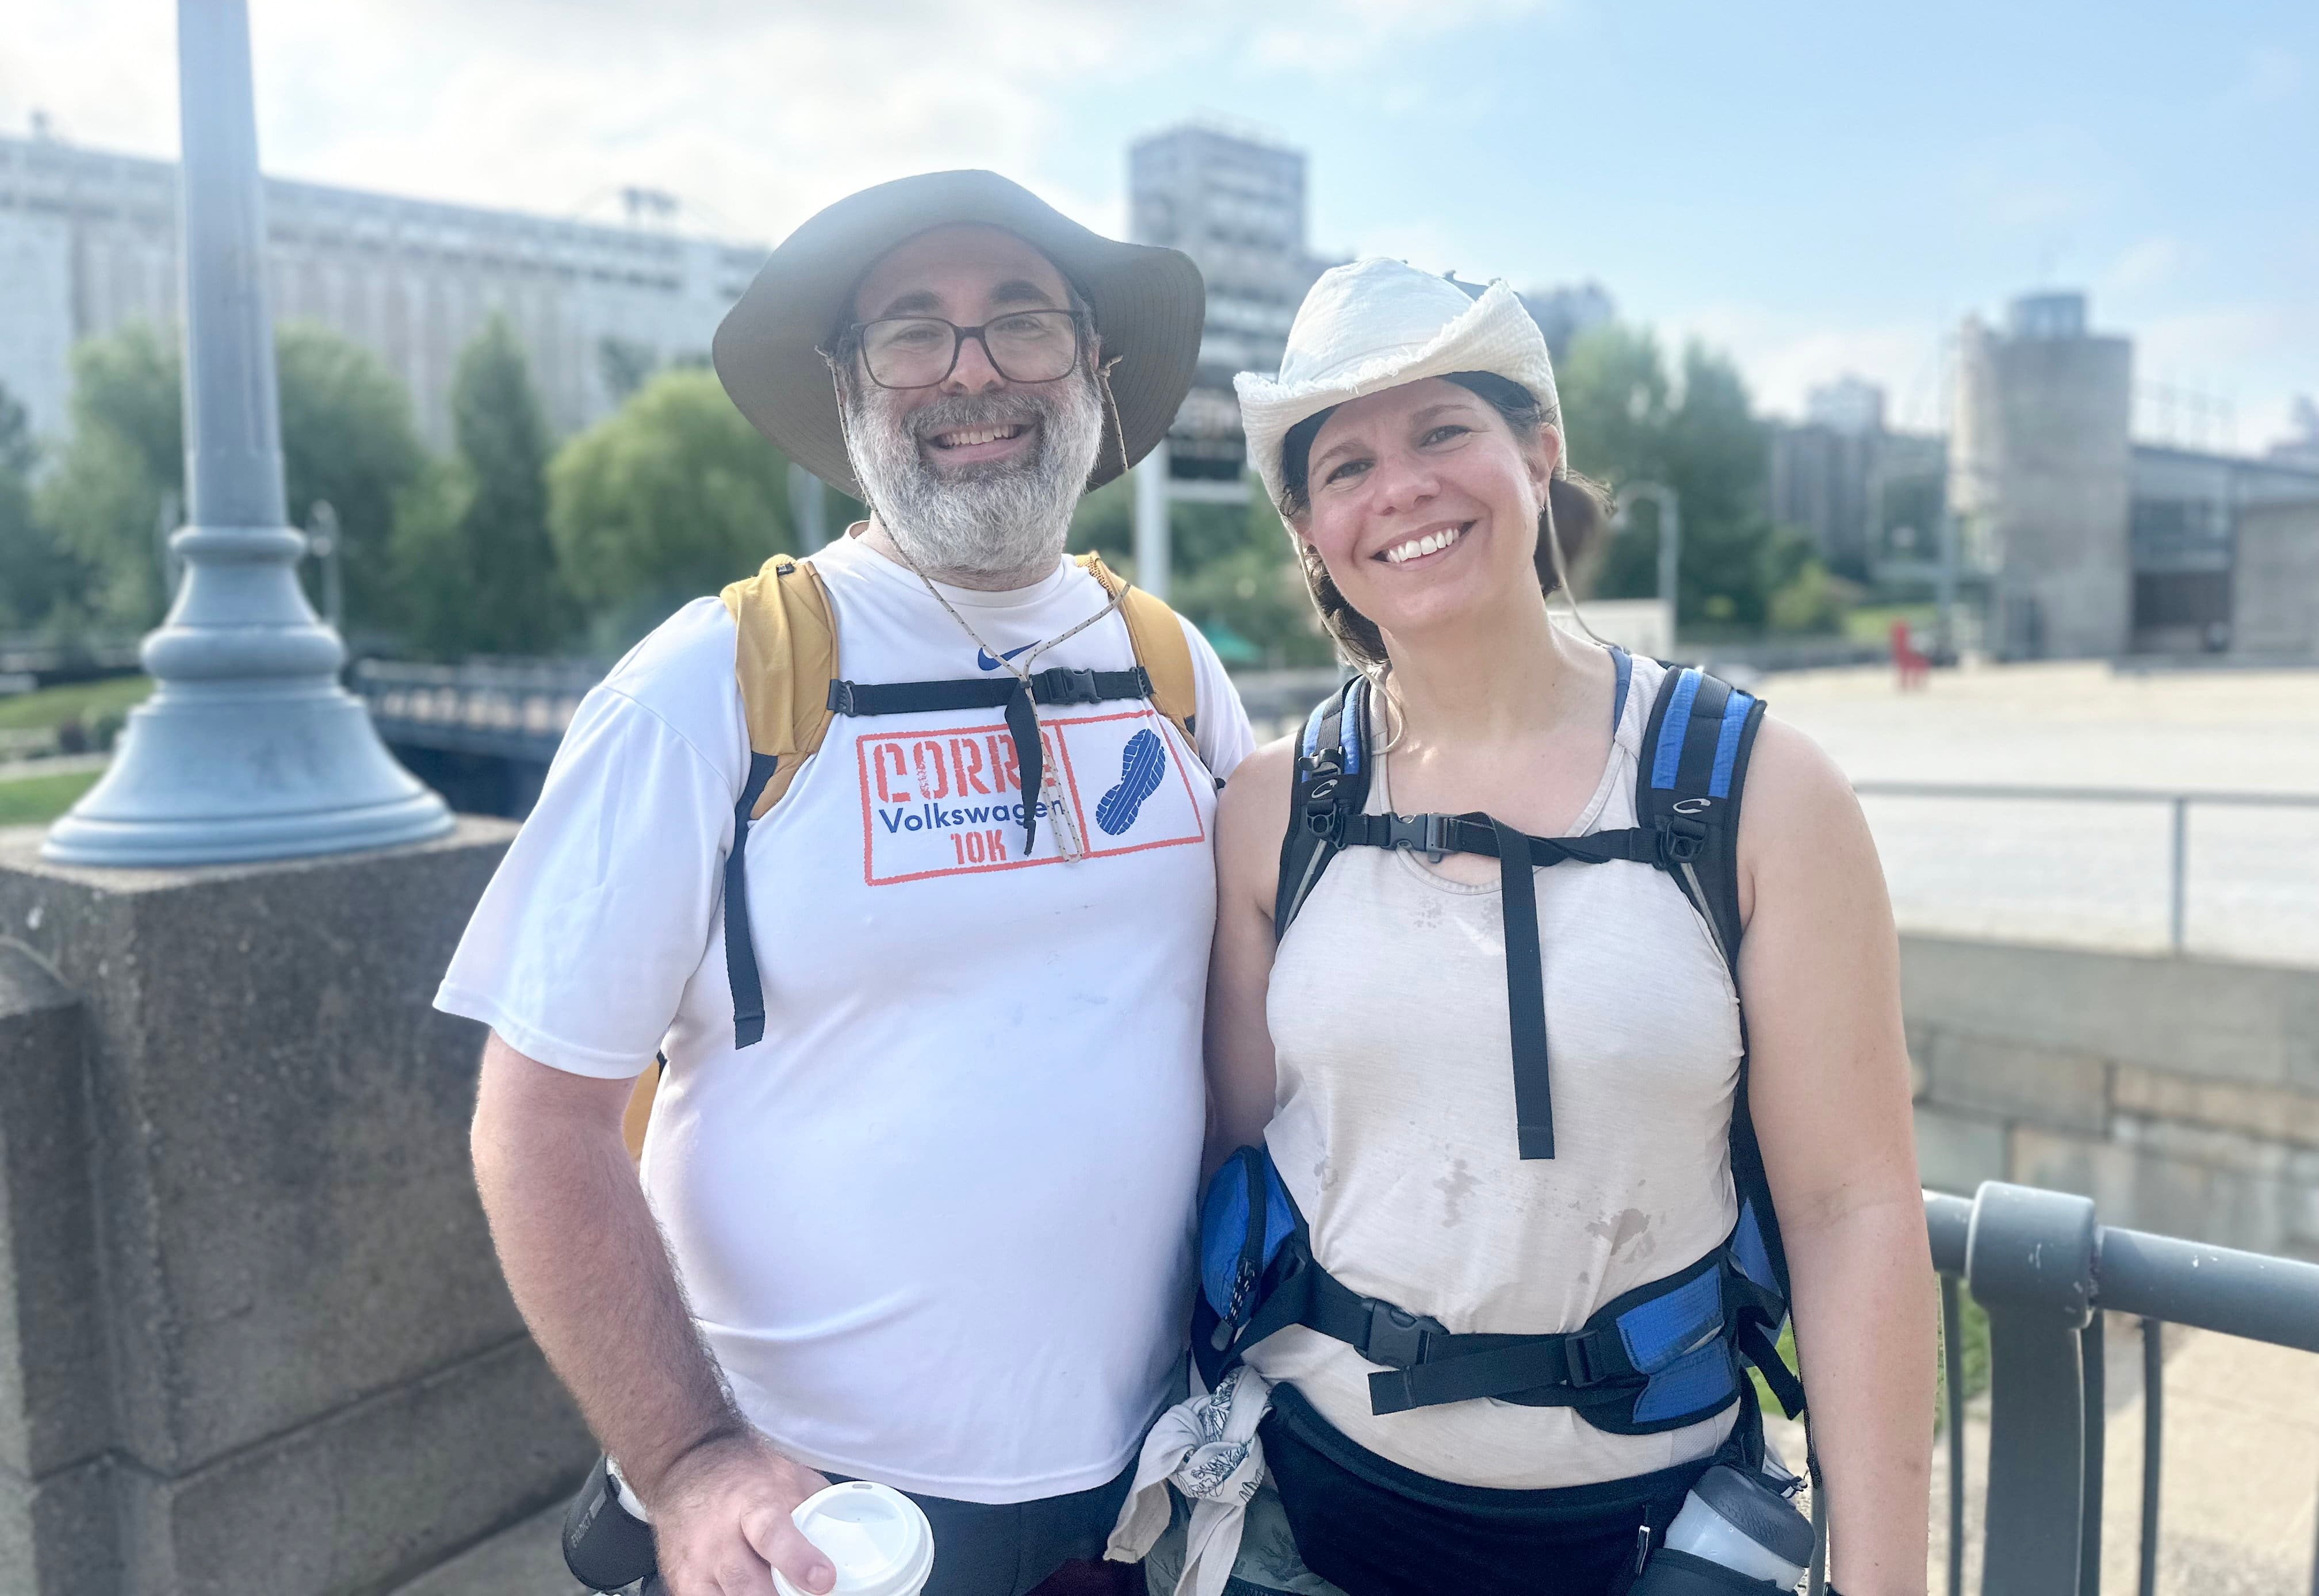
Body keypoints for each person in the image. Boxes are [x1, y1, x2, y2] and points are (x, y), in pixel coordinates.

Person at [444, 171, 1255, 1596]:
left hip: (1140, 1496)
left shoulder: (1172, 670)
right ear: (847, 389)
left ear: (1095, 368)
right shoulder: (712, 684)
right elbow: (537, 1123)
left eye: (1022, 324)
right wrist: (692, 1461)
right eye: (910, 333)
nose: (972, 373)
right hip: (821, 1526)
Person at [1199, 259, 1933, 1595]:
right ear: (1308, 526)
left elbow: (1854, 1213)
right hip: (1306, 1524)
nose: (1402, 490)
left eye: (1443, 432)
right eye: (1346, 465)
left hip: (1649, 1530)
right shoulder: (1272, 811)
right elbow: (1230, 1164)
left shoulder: (1756, 793)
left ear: (1540, 452)